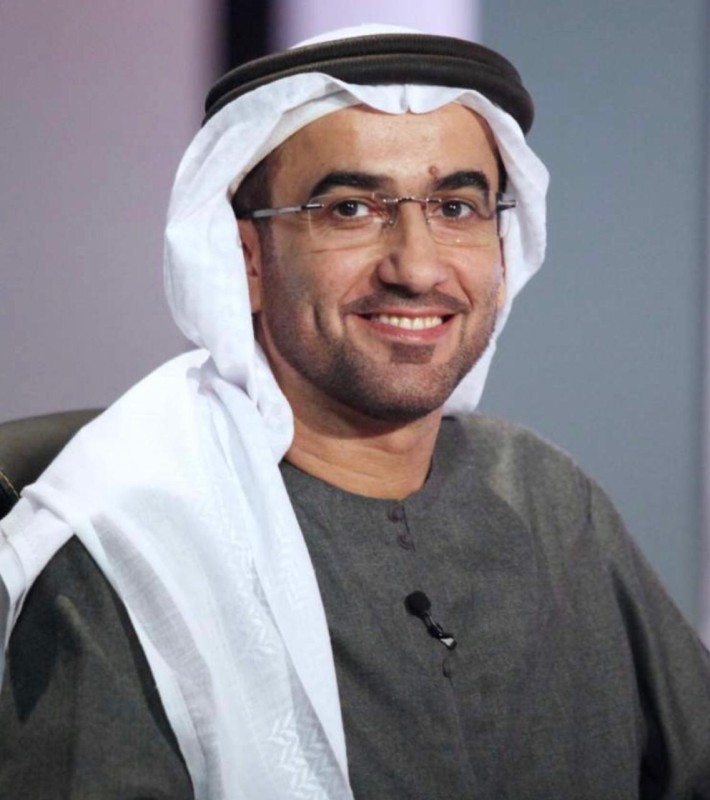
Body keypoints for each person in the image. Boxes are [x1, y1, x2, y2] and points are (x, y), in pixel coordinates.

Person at [1, 23, 709, 800]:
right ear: (247, 261)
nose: (417, 267)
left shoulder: (547, 497)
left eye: (456, 207)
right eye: (349, 210)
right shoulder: (131, 550)